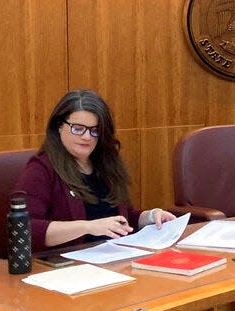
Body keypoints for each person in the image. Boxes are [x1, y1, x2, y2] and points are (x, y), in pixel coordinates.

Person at [13, 89, 176, 251]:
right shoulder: (41, 169)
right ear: (58, 126)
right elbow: (25, 229)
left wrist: (149, 217)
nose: (87, 137)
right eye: (77, 128)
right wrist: (87, 227)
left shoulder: (104, 163)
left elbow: (123, 219)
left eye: (95, 130)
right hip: (67, 267)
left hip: (113, 257)